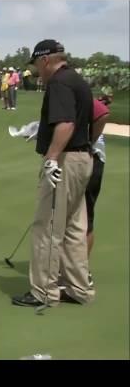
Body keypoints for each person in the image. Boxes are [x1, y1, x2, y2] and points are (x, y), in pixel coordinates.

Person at [12, 40, 94, 308]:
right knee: (74, 227)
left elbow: (66, 123)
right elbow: (93, 116)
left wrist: (51, 158)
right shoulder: (77, 80)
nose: (37, 70)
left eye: (36, 64)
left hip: (65, 161)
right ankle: (79, 288)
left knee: (47, 227)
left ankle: (45, 292)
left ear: (45, 60)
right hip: (83, 158)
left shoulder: (58, 82)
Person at [84, 93, 112, 285]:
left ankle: (82, 271)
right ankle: (74, 269)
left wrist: (88, 143)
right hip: (82, 160)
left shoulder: (75, 93)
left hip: (91, 161)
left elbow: (102, 113)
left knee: (84, 218)